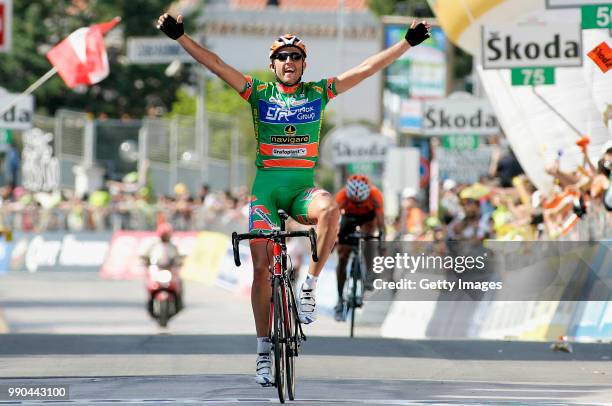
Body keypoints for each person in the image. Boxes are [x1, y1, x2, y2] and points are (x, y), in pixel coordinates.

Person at [157, 11, 431, 386]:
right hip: (266, 192)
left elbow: (367, 68)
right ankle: (262, 352)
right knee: (260, 267)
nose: (289, 62)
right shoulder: (258, 93)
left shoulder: (318, 93)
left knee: (331, 209)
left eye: (296, 56)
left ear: (304, 64)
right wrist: (181, 38)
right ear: (273, 64)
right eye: (282, 57)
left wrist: (406, 43)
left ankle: (310, 287)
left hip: (302, 190)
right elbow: (217, 64)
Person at [334, 174, 384, 321]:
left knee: (368, 239)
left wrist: (382, 241)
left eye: (359, 201)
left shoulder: (375, 195)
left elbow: (381, 221)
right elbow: (334, 219)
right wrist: (334, 238)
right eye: (354, 201)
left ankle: (368, 273)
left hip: (368, 219)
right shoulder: (342, 196)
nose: (357, 203)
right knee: (342, 256)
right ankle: (339, 299)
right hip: (348, 218)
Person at [143, 222, 183, 314]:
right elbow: (146, 255)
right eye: (163, 235)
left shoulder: (173, 246)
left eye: (166, 235)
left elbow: (178, 257)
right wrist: (146, 260)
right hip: (158, 269)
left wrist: (179, 261)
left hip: (169, 270)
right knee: (149, 282)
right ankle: (149, 302)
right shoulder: (154, 246)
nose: (165, 237)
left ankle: (179, 302)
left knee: (179, 282)